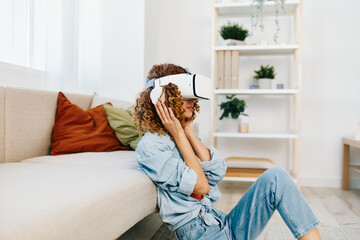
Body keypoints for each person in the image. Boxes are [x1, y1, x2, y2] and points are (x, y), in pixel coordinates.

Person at [134, 63, 321, 240]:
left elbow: (216, 172)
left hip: (223, 223)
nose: (193, 100)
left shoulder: (183, 134)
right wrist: (180, 136)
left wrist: (185, 129)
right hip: (201, 234)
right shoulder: (151, 147)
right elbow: (202, 186)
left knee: (276, 177)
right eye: (184, 95)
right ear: (161, 98)